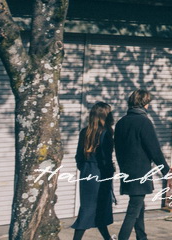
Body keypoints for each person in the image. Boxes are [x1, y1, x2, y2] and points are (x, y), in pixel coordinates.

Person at [114, 89, 170, 240]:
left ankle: (141, 236)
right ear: (144, 104)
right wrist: (166, 170)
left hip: (127, 170)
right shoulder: (144, 122)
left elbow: (117, 149)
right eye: (148, 103)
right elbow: (154, 150)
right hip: (140, 172)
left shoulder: (121, 123)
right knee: (133, 210)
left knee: (139, 206)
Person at [70, 102, 115, 240]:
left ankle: (107, 237)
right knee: (94, 209)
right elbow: (105, 158)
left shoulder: (85, 132)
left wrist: (84, 168)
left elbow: (78, 156)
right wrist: (110, 171)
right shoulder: (106, 133)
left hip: (87, 172)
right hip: (101, 173)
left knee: (90, 207)